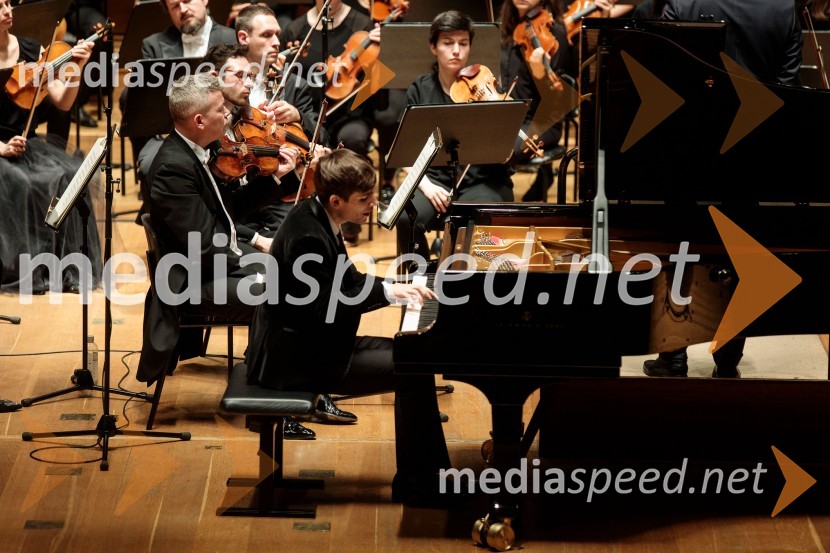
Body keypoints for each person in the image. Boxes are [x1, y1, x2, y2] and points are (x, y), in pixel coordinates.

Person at [246, 148, 456, 506]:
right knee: (412, 366)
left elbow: (348, 279)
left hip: (309, 344)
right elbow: (326, 306)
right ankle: (423, 484)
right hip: (296, 360)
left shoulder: (318, 216)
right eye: (364, 199)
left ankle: (420, 479)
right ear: (335, 199)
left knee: (412, 357)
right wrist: (388, 296)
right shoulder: (308, 237)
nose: (373, 204)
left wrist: (393, 288)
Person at [643, 0, 803, 379]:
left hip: (690, 153)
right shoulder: (782, 9)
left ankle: (674, 355)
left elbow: (662, 76)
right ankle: (728, 358)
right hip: (753, 157)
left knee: (682, 250)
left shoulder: (683, 4)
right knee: (740, 255)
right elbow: (787, 89)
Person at [136, 72, 298, 389]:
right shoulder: (174, 168)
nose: (228, 114)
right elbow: (205, 249)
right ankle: (268, 396)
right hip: (192, 282)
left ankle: (282, 383)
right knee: (287, 291)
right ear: (199, 120)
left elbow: (229, 209)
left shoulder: (199, 150)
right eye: (221, 109)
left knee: (290, 272)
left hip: (212, 264)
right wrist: (258, 265)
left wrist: (277, 177)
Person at [0, 0, 102, 293]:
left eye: (8, 3)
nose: (8, 11)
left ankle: (61, 269)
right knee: (16, 181)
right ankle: (23, 271)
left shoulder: (32, 51)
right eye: (0, 6)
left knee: (65, 176)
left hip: (25, 143)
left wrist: (76, 68)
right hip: (1, 147)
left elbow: (63, 101)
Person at [396, 10, 515, 258]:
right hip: (435, 179)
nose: (456, 51)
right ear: (433, 47)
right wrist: (427, 187)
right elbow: (404, 152)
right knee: (407, 215)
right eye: (448, 43)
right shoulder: (420, 89)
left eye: (463, 43)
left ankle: (474, 278)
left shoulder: (487, 87)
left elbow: (505, 144)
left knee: (482, 216)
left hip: (482, 179)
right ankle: (419, 274)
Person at [129, 0, 239, 188]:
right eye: (175, 6)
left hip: (223, 130)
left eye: (187, 1)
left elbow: (241, 91)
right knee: (150, 165)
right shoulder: (153, 45)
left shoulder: (232, 38)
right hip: (171, 132)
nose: (183, 9)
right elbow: (149, 104)